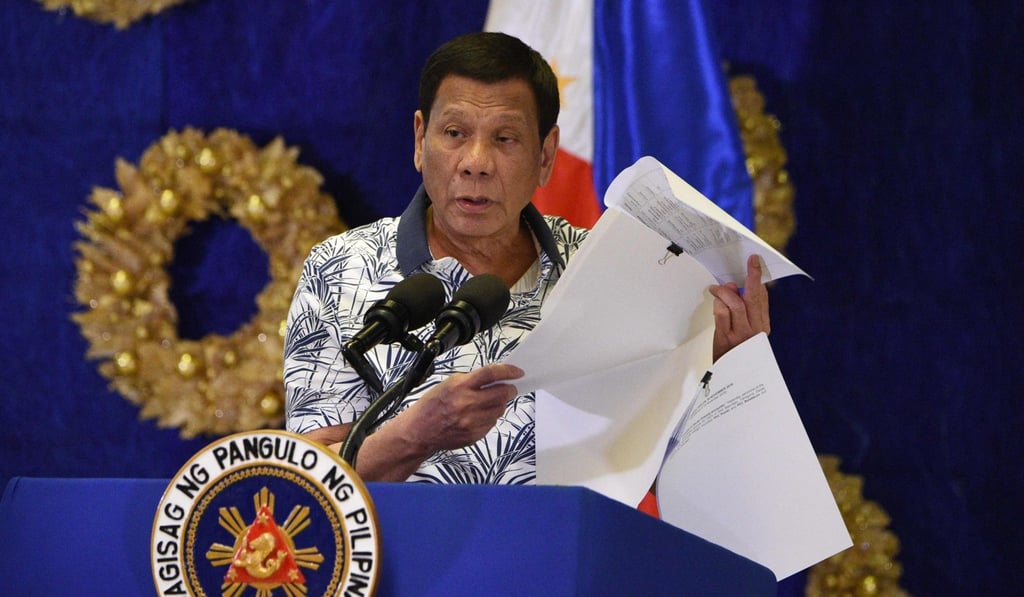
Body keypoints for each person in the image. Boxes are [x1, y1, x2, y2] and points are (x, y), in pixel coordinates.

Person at [283, 31, 769, 484]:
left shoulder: (607, 271)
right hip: (401, 548)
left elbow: (685, 467)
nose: (476, 163)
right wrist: (415, 436)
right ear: (419, 139)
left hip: (568, 546)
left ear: (545, 156)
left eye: (505, 139)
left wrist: (732, 367)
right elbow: (307, 483)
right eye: (454, 132)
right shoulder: (339, 268)